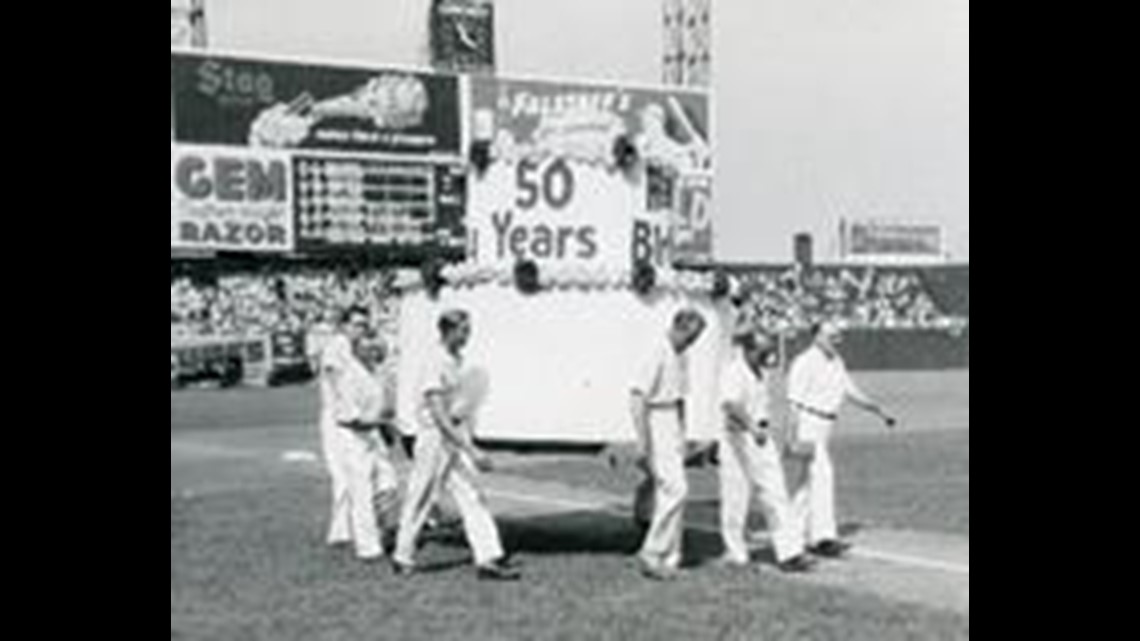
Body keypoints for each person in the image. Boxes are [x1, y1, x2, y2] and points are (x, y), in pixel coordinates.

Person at [392, 310, 520, 581]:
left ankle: (488, 558)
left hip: (451, 436)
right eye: (463, 330)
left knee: (472, 495)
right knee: (422, 496)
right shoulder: (435, 362)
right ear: (448, 331)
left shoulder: (455, 360)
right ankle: (402, 555)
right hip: (434, 438)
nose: (467, 335)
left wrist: (464, 442)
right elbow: (438, 414)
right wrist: (470, 449)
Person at [786, 321, 899, 559]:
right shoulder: (804, 362)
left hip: (825, 426)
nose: (836, 340)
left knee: (807, 484)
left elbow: (850, 391)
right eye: (831, 335)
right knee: (823, 474)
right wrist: (791, 435)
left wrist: (878, 410)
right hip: (809, 423)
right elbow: (794, 404)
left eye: (838, 336)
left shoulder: (837, 362)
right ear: (816, 336)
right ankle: (823, 538)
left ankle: (792, 536)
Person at [717, 331, 815, 573]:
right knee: (735, 498)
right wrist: (751, 427)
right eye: (763, 351)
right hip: (736, 439)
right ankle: (736, 554)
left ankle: (789, 553)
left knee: (776, 493)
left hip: (761, 437)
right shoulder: (733, 372)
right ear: (748, 350)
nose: (768, 356)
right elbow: (731, 405)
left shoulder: (762, 373)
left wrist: (771, 434)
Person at [630, 309, 708, 581]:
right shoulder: (657, 352)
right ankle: (651, 553)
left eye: (697, 338)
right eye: (691, 335)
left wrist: (684, 435)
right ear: (679, 327)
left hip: (672, 420)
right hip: (656, 418)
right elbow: (638, 397)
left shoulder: (683, 355)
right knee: (676, 489)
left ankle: (671, 557)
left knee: (672, 492)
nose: (693, 342)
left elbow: (681, 398)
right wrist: (642, 440)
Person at [321, 306, 398, 562]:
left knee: (385, 482)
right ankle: (358, 540)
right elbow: (341, 397)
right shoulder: (338, 351)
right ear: (344, 326)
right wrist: (377, 422)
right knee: (353, 484)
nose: (361, 330)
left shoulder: (369, 366)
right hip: (346, 425)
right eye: (356, 325)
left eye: (364, 325)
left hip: (367, 424)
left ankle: (365, 530)